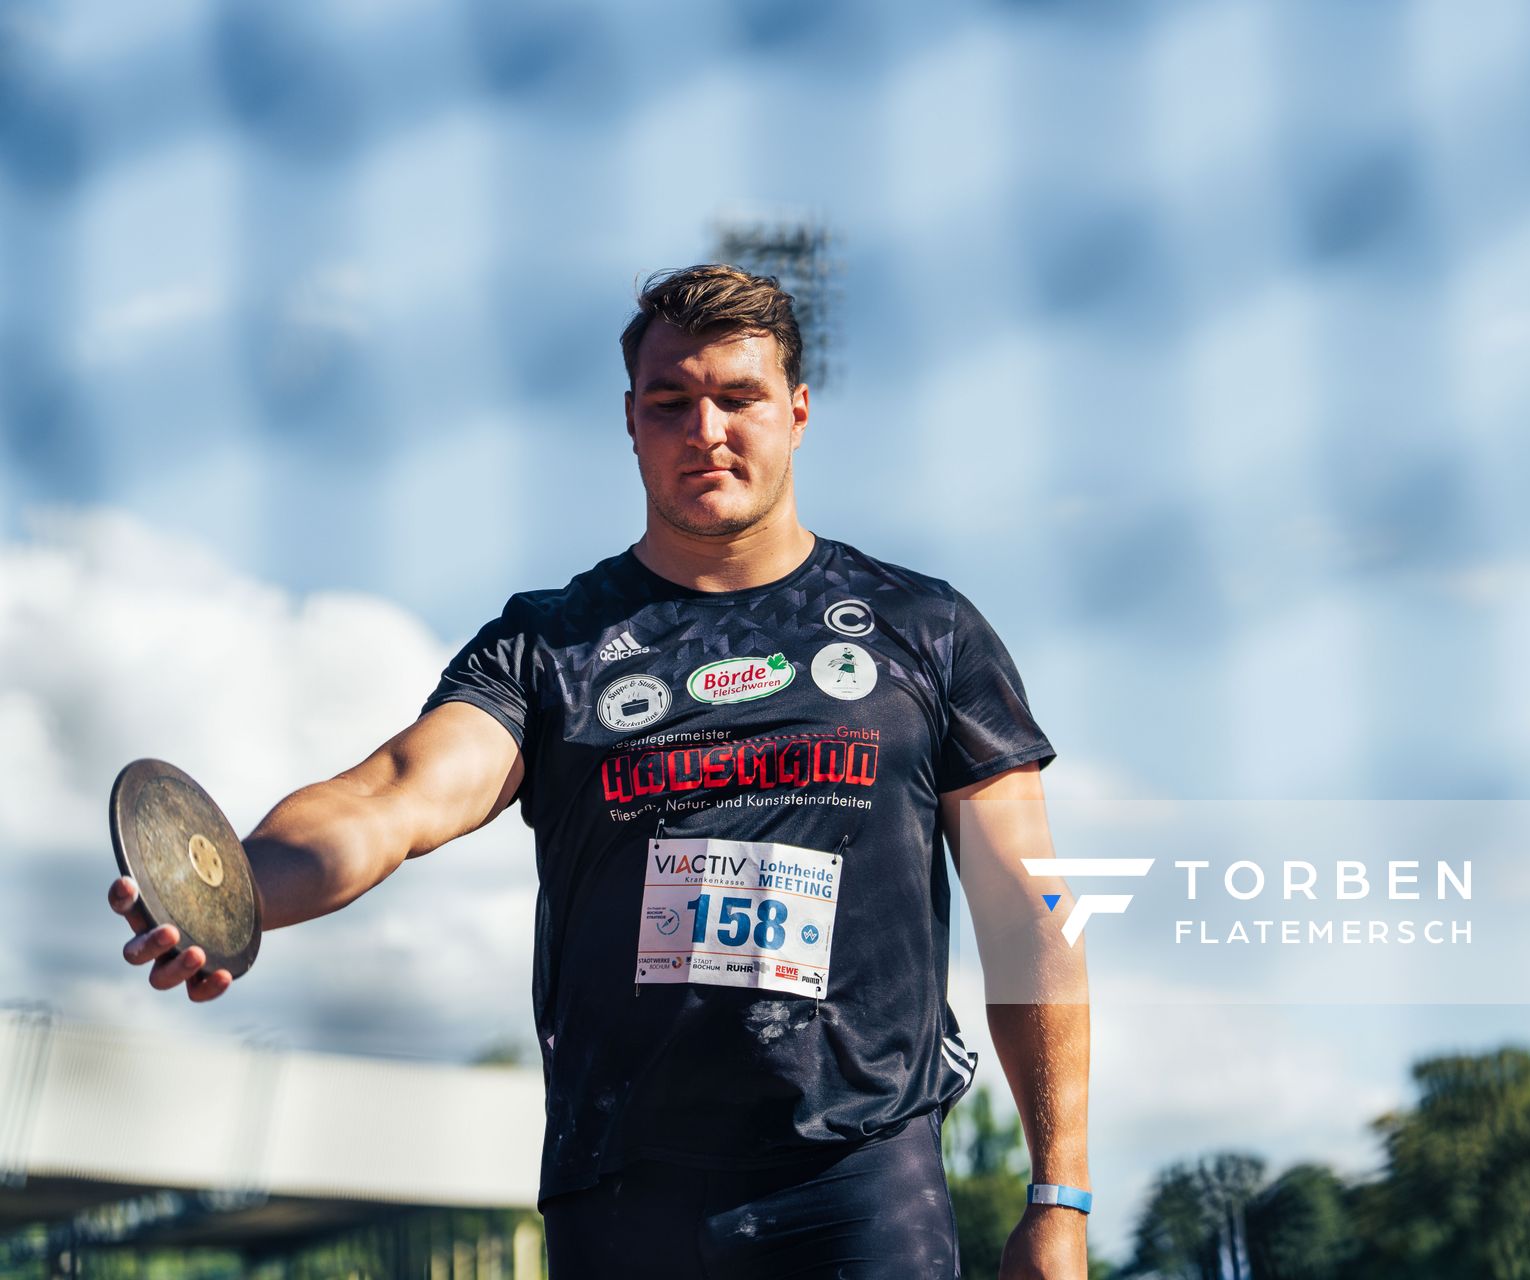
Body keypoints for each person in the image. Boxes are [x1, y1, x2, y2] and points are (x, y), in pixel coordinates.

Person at [109, 264, 1092, 1278]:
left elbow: (1028, 912)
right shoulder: (551, 645)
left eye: (738, 397)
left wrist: (1059, 1195)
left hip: (857, 1179)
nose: (704, 428)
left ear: (797, 412)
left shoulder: (924, 632)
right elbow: (393, 794)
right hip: (622, 1189)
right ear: (631, 420)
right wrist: (236, 886)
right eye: (672, 402)